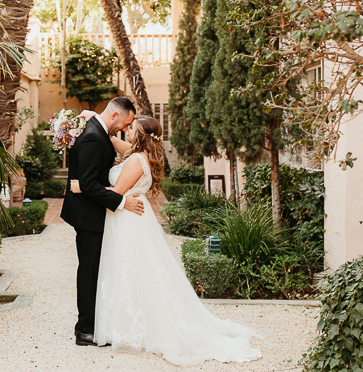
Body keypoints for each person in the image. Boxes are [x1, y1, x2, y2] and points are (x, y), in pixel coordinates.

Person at [70, 114, 262, 366]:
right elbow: (107, 136)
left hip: (128, 218)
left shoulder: (137, 159)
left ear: (139, 136)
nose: (126, 131)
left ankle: (134, 325)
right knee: (135, 271)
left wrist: (82, 187)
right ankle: (125, 320)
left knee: (131, 270)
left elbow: (117, 193)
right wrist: (93, 119)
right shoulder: (134, 152)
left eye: (131, 129)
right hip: (129, 217)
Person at [60, 97, 145, 347]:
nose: (124, 129)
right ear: (115, 115)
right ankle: (85, 330)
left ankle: (91, 323)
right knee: (89, 272)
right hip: (88, 216)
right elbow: (87, 183)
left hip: (93, 212)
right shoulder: (93, 137)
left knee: (95, 270)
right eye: (125, 123)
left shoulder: (97, 130)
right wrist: (121, 202)